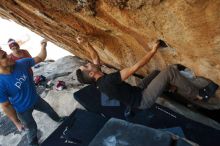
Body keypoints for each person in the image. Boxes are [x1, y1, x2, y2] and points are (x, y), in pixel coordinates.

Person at [76, 39, 218, 110]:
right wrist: (153, 50)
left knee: (156, 73)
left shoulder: (98, 80)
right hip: (142, 100)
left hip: (137, 91)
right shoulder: (108, 81)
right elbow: (136, 66)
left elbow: (94, 58)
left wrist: (85, 43)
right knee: (169, 71)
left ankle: (171, 88)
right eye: (87, 65)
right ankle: (199, 94)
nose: (89, 63)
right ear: (92, 72)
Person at [0, 40, 64, 146]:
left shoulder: (21, 63)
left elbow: (40, 57)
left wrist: (43, 46)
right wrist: (16, 122)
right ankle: (33, 142)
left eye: (6, 54)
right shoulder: (1, 83)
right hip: (22, 109)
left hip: (36, 99)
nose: (10, 56)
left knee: (49, 109)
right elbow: (6, 105)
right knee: (31, 128)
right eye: (4, 57)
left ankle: (58, 119)